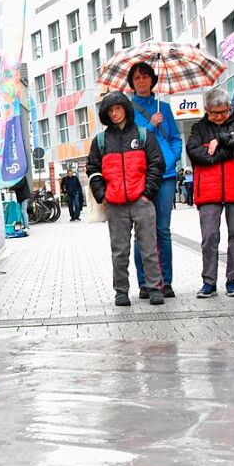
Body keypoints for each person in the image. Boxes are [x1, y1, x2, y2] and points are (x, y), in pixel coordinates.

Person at [86, 91, 166, 307]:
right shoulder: (100, 141)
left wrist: (148, 192)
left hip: (141, 201)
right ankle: (121, 291)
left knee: (149, 247)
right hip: (115, 204)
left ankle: (154, 288)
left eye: (118, 108)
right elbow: (93, 169)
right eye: (110, 110)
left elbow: (157, 164)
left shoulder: (143, 136)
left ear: (126, 109)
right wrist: (102, 194)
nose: (115, 113)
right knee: (119, 251)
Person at [186, 89, 234, 298]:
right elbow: (195, 154)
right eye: (214, 113)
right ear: (206, 110)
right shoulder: (199, 127)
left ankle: (232, 280)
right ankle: (209, 281)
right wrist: (228, 151)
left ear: (229, 108)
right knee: (209, 237)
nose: (219, 116)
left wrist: (224, 138)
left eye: (223, 112)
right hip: (208, 190)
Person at [127, 61, 182, 298]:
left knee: (162, 230)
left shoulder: (164, 107)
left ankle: (165, 281)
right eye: (137, 77)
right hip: (140, 175)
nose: (141, 81)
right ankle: (144, 283)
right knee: (142, 230)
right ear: (132, 82)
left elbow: (176, 138)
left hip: (166, 175)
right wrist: (151, 124)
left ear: (152, 79)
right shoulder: (127, 110)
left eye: (145, 76)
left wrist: (171, 159)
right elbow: (132, 141)